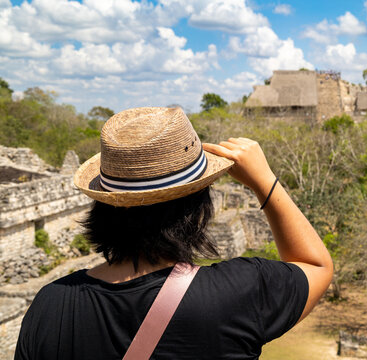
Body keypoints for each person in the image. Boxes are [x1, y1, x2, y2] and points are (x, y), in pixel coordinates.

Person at [15, 107, 333, 359]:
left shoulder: (50, 307)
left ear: (104, 205)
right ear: (198, 210)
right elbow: (316, 265)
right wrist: (263, 180)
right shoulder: (237, 294)